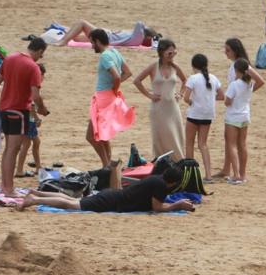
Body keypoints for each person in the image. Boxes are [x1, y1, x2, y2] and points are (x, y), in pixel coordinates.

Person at [0, 38, 48, 196]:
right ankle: (8, 189)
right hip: (18, 111)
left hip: (4, 109)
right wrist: (42, 108)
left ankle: (5, 186)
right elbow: (35, 95)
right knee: (13, 149)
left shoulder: (10, 58)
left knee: (9, 148)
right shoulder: (33, 67)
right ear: (40, 51)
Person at [19, 166, 195, 214]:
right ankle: (35, 200)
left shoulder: (157, 179)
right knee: (71, 204)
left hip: (112, 196)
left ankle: (37, 194)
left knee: (72, 201)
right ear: (173, 183)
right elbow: (157, 207)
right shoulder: (161, 186)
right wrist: (176, 205)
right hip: (112, 201)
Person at [87, 28, 135, 167]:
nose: (92, 46)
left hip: (104, 97)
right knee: (102, 134)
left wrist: (114, 88)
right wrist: (113, 88)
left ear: (97, 41)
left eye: (92, 43)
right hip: (108, 96)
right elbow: (128, 72)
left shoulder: (105, 56)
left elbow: (117, 76)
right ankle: (107, 163)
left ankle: (106, 164)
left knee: (91, 135)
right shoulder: (115, 52)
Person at [133, 39, 186, 161]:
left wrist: (180, 94)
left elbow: (185, 81)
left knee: (175, 136)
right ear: (161, 52)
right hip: (158, 109)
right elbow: (137, 81)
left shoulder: (175, 67)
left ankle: (179, 162)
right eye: (169, 53)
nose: (172, 56)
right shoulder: (153, 67)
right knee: (160, 137)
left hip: (173, 108)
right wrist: (149, 95)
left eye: (174, 53)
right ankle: (162, 163)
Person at [182, 53, 222, 180]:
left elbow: (186, 98)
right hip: (207, 115)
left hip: (194, 114)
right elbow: (221, 96)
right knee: (203, 144)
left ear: (194, 66)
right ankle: (208, 174)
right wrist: (209, 99)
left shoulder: (193, 78)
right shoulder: (214, 78)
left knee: (189, 143)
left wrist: (191, 102)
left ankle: (190, 175)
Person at [222, 58, 253, 184]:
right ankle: (243, 174)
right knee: (242, 144)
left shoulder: (234, 84)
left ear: (236, 70)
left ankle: (236, 174)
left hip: (233, 117)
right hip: (245, 115)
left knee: (232, 145)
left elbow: (227, 102)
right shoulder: (250, 83)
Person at [54, 20, 150, 47]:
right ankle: (63, 29)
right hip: (106, 36)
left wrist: (155, 36)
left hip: (104, 36)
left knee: (82, 23)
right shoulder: (135, 38)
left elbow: (140, 23)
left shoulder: (138, 38)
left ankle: (63, 41)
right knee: (76, 38)